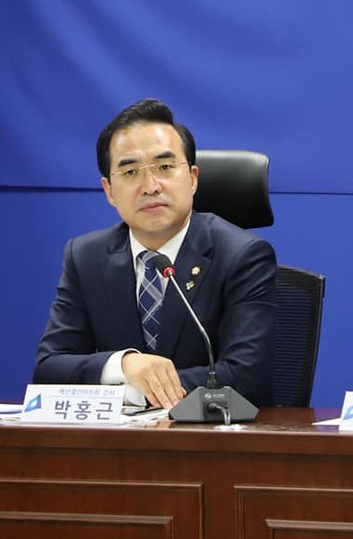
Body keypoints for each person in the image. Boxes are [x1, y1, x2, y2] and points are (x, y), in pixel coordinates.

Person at [34, 98, 277, 409]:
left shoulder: (242, 256)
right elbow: (49, 369)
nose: (150, 186)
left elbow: (246, 378)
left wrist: (135, 393)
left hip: (210, 435)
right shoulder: (86, 257)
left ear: (193, 178)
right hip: (116, 439)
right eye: (130, 172)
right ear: (109, 191)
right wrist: (123, 365)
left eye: (164, 167)